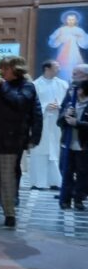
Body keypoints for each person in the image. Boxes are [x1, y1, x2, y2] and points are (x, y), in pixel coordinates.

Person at [0, 56, 42, 228]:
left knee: (7, 179)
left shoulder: (26, 86)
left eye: (5, 68)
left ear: (16, 69)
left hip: (10, 140)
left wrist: (2, 87)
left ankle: (9, 213)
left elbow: (19, 102)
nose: (1, 72)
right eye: (1, 68)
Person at [30, 60, 68, 190]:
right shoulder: (35, 85)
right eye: (56, 67)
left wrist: (61, 107)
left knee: (55, 151)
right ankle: (39, 182)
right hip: (42, 122)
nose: (59, 69)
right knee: (40, 151)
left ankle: (55, 181)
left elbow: (67, 103)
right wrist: (46, 107)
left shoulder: (63, 84)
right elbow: (31, 105)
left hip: (57, 122)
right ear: (47, 68)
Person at [58, 80, 88, 210]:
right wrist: (65, 115)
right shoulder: (70, 103)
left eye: (77, 89)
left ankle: (78, 199)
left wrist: (77, 123)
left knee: (83, 174)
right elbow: (59, 122)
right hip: (67, 144)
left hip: (83, 146)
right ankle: (65, 199)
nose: (72, 92)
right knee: (66, 172)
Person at [48, 12, 88, 81]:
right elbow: (52, 40)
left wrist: (80, 37)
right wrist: (59, 39)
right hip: (63, 52)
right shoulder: (61, 30)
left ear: (76, 20)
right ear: (66, 20)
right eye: (69, 19)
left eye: (72, 20)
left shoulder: (79, 30)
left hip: (74, 52)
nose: (71, 21)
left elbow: (85, 43)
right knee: (63, 69)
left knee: (75, 65)